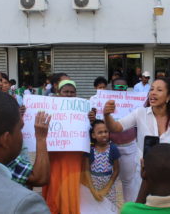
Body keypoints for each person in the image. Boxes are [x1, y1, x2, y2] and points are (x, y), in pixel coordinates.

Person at [104, 77, 170, 156]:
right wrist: (107, 115)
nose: (153, 92)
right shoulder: (140, 113)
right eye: (151, 89)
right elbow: (115, 127)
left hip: (169, 170)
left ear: (168, 97)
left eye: (159, 90)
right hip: (143, 170)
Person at [89, 77, 140, 202]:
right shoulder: (101, 102)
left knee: (128, 181)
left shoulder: (134, 102)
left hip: (128, 146)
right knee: (103, 178)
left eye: (124, 87)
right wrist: (93, 119)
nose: (121, 90)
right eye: (118, 87)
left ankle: (129, 208)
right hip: (108, 146)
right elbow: (97, 124)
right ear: (112, 88)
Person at [42, 80, 83, 214]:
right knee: (55, 184)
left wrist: (91, 119)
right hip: (55, 155)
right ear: (59, 93)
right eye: (66, 92)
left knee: (71, 186)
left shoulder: (83, 109)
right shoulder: (49, 108)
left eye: (72, 92)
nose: (69, 95)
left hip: (74, 156)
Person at [83, 120, 120, 210]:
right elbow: (86, 170)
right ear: (93, 135)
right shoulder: (90, 149)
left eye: (106, 131)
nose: (104, 134)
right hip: (93, 186)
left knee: (108, 208)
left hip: (108, 186)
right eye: (100, 132)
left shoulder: (113, 149)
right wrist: (92, 190)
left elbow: (116, 170)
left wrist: (106, 188)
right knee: (94, 208)